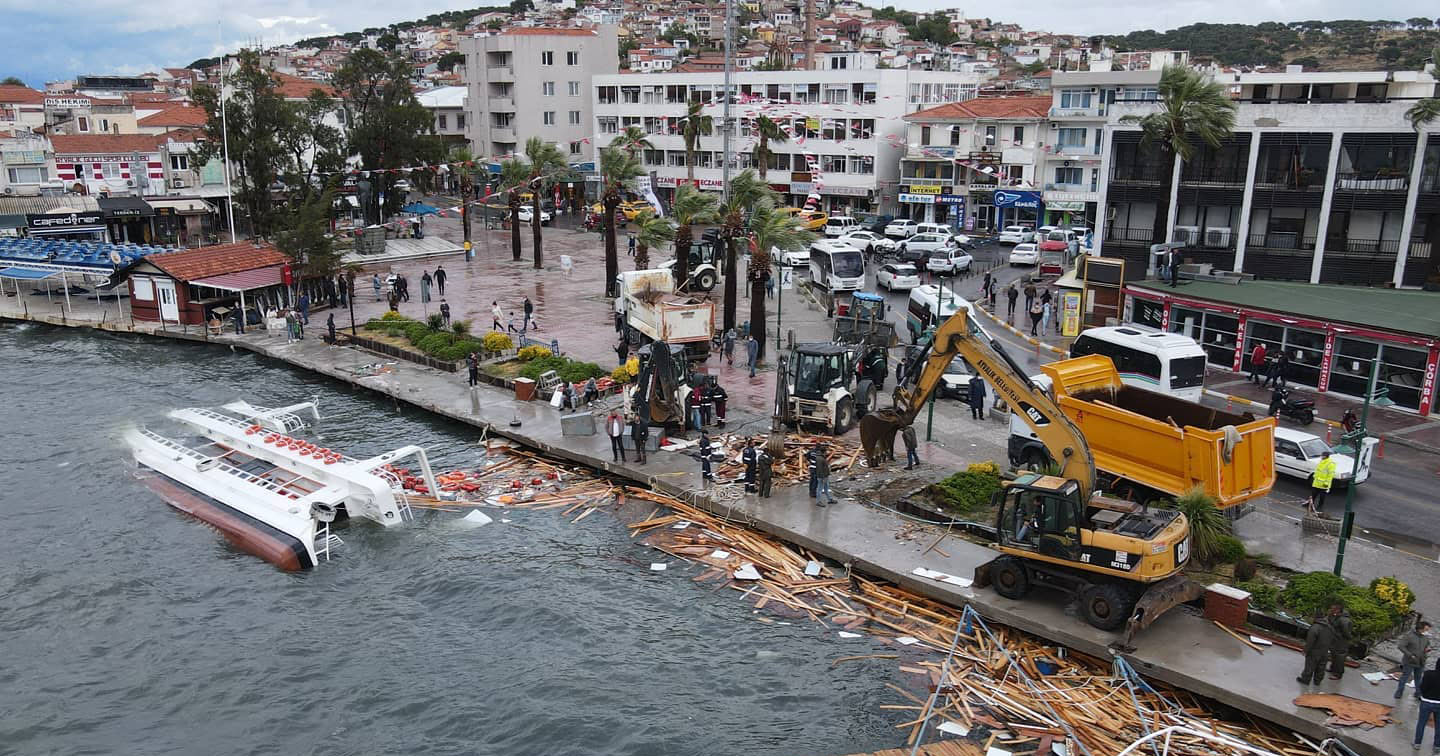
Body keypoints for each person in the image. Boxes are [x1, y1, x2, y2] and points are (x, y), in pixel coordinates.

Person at [1297, 606, 1337, 685]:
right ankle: (1318, 681)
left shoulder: (1315, 627)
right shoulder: (1330, 627)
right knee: (1321, 666)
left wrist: (1305, 650)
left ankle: (1305, 679)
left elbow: (1310, 641)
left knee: (1310, 665)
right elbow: (1333, 639)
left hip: (1314, 650)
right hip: (1325, 651)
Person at [1397, 621, 1433, 701]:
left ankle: (1418, 693)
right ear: (1420, 629)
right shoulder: (1409, 636)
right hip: (1410, 661)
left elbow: (1427, 645)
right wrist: (1410, 655)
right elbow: (1401, 646)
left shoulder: (1425, 637)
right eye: (1426, 629)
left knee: (1419, 678)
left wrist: (1428, 649)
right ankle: (1399, 692)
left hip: (1421, 661)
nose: (1427, 631)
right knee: (1405, 677)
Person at [1415, 658, 1440, 752]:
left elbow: (1422, 687)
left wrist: (1423, 695)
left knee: (1421, 723)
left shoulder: (1428, 674)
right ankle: (1437, 746)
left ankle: (1417, 743)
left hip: (1426, 702)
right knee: (1439, 726)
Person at [1329, 603, 1354, 680]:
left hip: (1341, 641)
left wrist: (1349, 638)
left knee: (1339, 657)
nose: (1331, 610)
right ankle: (1333, 669)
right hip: (1336, 640)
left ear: (1337, 610)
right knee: (1334, 655)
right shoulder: (1338, 617)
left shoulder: (1343, 620)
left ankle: (1338, 674)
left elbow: (1346, 632)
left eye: (1332, 609)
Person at [1307, 450, 1337, 515]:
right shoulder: (1322, 461)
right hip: (1317, 482)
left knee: (1322, 496)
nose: (1321, 457)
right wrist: (1314, 477)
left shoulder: (1330, 464)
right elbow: (1318, 470)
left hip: (1324, 484)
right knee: (1313, 494)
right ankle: (1310, 503)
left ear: (1326, 456)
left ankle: (1320, 506)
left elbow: (1330, 475)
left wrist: (1326, 483)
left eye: (1322, 456)